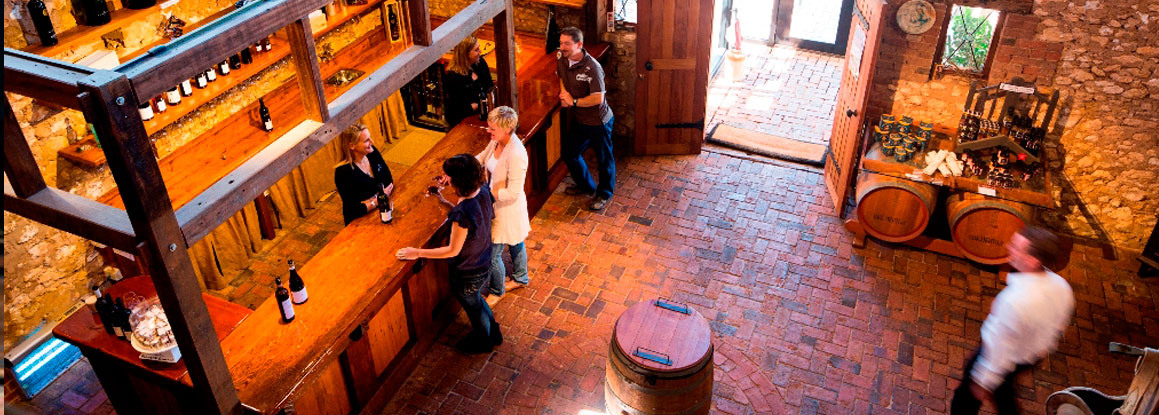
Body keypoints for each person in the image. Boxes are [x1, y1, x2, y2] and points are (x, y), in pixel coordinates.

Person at [951, 226, 1074, 415]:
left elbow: (999, 347)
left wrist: (982, 382)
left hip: (1005, 358)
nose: (1009, 248)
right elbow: (1060, 323)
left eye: (1016, 247)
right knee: (1004, 393)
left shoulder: (1013, 301)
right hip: (1031, 356)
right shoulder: (1061, 286)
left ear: (1033, 261)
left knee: (964, 403)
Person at [396, 155, 501, 353]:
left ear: (458, 180)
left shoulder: (462, 212)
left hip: (469, 270)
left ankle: (484, 341)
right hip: (485, 259)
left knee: (474, 307)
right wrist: (443, 201)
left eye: (449, 176)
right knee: (477, 301)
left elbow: (452, 249)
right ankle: (493, 332)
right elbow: (473, 222)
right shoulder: (484, 191)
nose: (446, 179)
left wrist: (416, 252)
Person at [556, 26, 615, 211]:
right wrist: (564, 94)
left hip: (599, 122)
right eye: (561, 43)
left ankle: (604, 194)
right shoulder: (562, 58)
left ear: (579, 45)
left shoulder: (592, 68)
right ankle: (586, 187)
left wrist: (573, 102)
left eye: (567, 44)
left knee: (604, 160)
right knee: (569, 153)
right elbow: (561, 76)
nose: (562, 47)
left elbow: (598, 98)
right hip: (581, 119)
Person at [475, 106, 531, 298]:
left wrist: (488, 195)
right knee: (515, 241)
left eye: (492, 128)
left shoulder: (516, 154)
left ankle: (497, 291)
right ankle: (521, 277)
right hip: (497, 204)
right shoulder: (496, 141)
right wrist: (461, 168)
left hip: (506, 209)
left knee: (492, 255)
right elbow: (481, 158)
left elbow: (514, 192)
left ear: (507, 129)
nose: (488, 131)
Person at [334, 123, 394, 225]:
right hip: (360, 221)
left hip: (380, 211)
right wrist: (379, 199)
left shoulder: (372, 153)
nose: (372, 142)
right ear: (352, 146)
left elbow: (389, 181)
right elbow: (354, 210)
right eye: (366, 140)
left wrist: (370, 202)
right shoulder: (343, 172)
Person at [443, 36, 494, 129]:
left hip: (481, 116)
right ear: (465, 54)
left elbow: (490, 87)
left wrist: (477, 105)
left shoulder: (480, 63)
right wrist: (478, 105)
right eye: (476, 50)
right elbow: (454, 110)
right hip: (460, 123)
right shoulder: (453, 77)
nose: (480, 52)